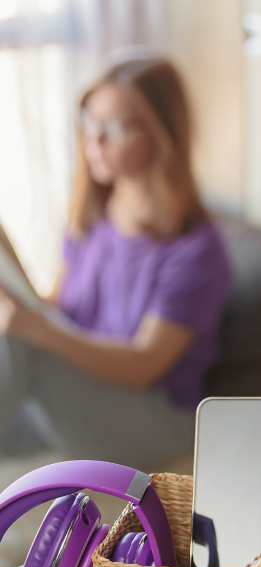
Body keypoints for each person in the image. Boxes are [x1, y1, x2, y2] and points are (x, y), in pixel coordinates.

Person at [0, 56, 230, 469]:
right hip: (83, 393)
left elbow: (145, 364)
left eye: (115, 127)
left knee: (22, 342)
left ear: (161, 135)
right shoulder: (93, 216)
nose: (94, 139)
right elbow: (61, 311)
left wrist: (35, 328)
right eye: (89, 122)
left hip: (153, 417)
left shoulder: (196, 248)